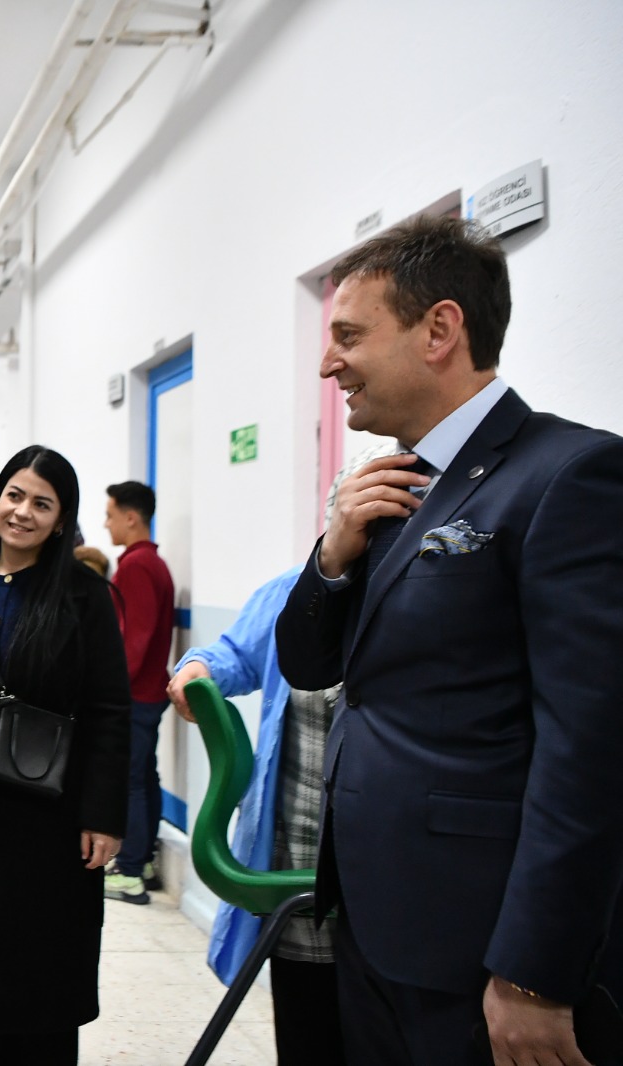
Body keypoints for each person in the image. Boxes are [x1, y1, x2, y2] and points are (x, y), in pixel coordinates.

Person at [275, 214, 623, 1066]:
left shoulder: (567, 477)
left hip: (481, 945)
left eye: (349, 336)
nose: (329, 363)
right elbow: (308, 664)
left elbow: (593, 751)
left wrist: (536, 973)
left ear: (439, 330)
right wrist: (331, 557)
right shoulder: (393, 484)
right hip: (372, 920)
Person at [0, 446, 131, 1065]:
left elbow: (109, 708)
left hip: (49, 809)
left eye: (41, 504)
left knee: (43, 969)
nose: (22, 513)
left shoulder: (83, 594)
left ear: (60, 517)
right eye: (14, 495)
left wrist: (104, 815)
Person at [170, 568, 344, 1066]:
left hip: (391, 877)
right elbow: (233, 654)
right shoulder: (299, 589)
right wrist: (200, 666)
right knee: (309, 1026)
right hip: (302, 862)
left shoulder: (437, 590)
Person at [102, 479, 175, 904]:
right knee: (144, 776)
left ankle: (129, 871)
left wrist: (111, 688)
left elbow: (136, 638)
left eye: (110, 515)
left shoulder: (136, 566)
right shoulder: (149, 562)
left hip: (136, 695)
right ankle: (142, 859)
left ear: (132, 518)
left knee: (129, 780)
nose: (105, 523)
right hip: (148, 692)